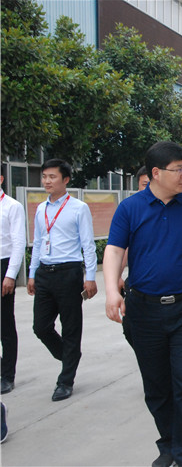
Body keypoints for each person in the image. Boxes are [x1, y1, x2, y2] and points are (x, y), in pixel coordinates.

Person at [104, 141, 182, 467]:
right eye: (178, 169)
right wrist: (112, 290)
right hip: (144, 310)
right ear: (156, 173)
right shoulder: (130, 208)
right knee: (156, 385)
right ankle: (168, 443)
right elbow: (114, 250)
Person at [27, 159, 97, 402]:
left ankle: (65, 381)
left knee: (71, 327)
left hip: (69, 272)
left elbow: (88, 244)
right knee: (41, 327)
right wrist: (32, 273)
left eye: (52, 177)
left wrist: (90, 277)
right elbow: (38, 242)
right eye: (44, 176)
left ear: (65, 180)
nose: (47, 181)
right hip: (45, 272)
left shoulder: (78, 208)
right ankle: (70, 356)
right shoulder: (41, 209)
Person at [1, 166, 27, 395]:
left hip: (3, 265)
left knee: (5, 324)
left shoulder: (12, 206)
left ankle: (7, 375)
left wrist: (10, 275)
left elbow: (18, 243)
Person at [118, 165, 150, 348]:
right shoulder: (130, 209)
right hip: (137, 284)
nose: (148, 189)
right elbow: (121, 248)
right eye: (144, 184)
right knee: (130, 329)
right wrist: (116, 277)